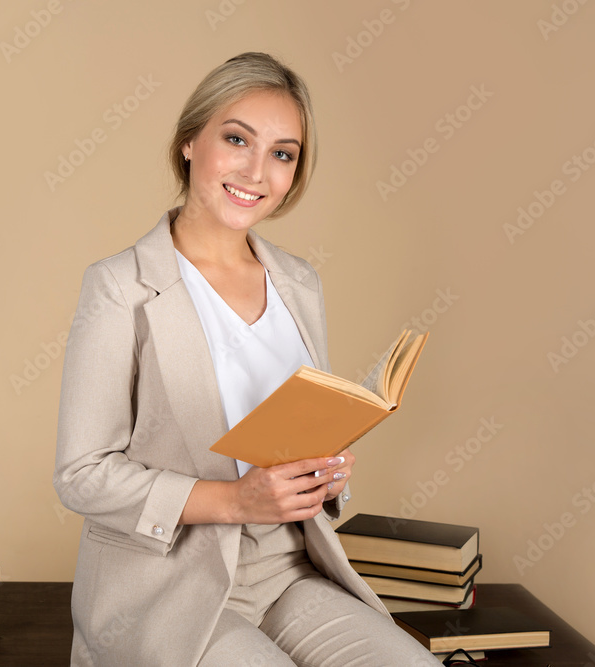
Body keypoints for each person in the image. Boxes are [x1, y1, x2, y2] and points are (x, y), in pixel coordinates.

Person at [53, 52, 442, 666]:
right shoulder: (118, 286)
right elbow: (81, 474)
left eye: (283, 153)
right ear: (188, 143)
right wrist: (234, 501)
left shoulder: (298, 281)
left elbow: (297, 425)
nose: (257, 171)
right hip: (168, 585)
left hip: (289, 570)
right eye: (237, 139)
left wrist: (326, 474)